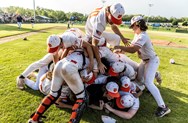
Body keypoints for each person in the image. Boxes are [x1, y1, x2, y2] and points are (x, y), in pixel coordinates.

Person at [28, 31, 94, 123]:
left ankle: (34, 119)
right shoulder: (79, 45)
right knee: (81, 98)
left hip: (60, 64)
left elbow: (62, 58)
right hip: (69, 66)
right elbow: (89, 47)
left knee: (52, 94)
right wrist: (92, 62)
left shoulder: (71, 44)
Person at [114, 16, 171, 117]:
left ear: (138, 24)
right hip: (145, 61)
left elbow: (133, 49)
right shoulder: (138, 35)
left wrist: (119, 46)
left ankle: (163, 107)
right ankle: (155, 74)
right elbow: (132, 49)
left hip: (152, 61)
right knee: (139, 79)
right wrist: (121, 50)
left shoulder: (143, 36)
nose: (132, 28)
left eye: (133, 26)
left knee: (148, 83)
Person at [85, 3, 130, 74]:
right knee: (101, 42)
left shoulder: (109, 9)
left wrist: (122, 38)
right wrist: (99, 63)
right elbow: (94, 44)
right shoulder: (99, 23)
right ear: (108, 13)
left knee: (117, 38)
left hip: (97, 30)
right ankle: (103, 59)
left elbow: (113, 26)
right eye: (112, 19)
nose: (112, 22)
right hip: (91, 34)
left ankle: (116, 56)